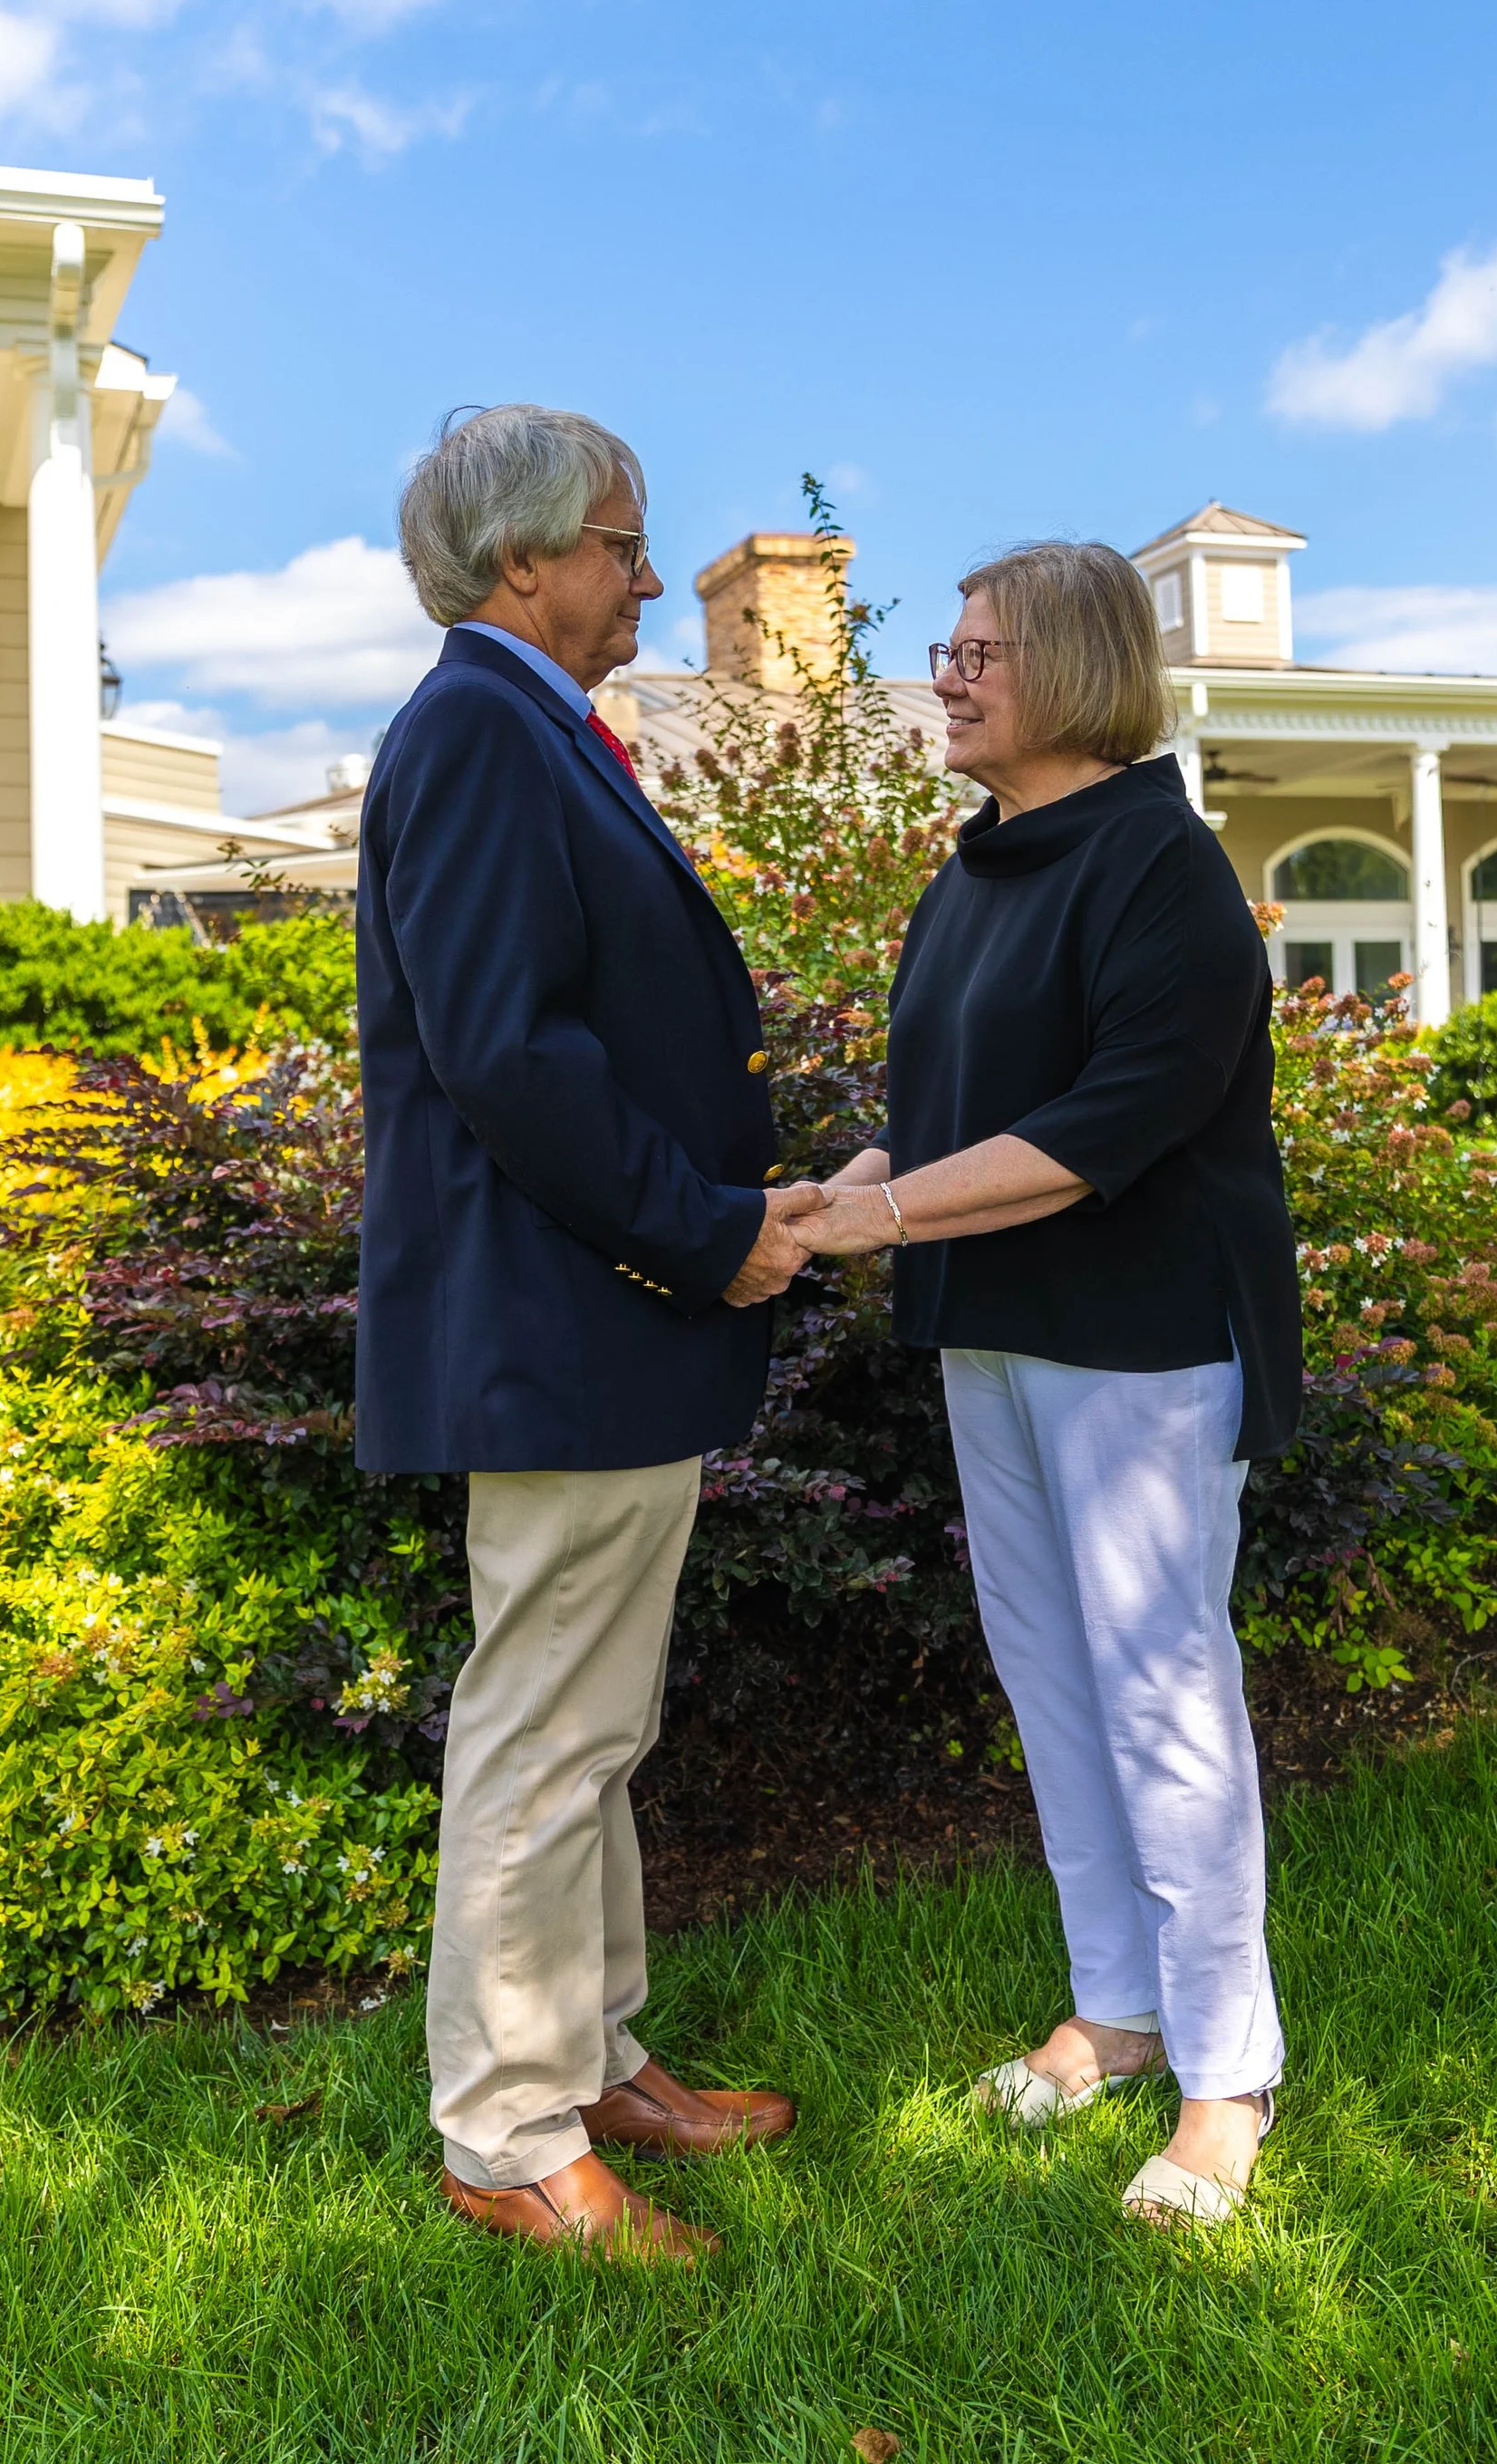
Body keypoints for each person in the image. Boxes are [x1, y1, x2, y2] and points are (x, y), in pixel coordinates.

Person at [794, 540, 1302, 2227]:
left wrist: (882, 1214)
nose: (943, 673)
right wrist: (845, 1189)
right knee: (1049, 1670)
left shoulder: (1165, 869)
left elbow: (1103, 1131)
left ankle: (1228, 2077)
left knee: (1162, 1685)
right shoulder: (979, 868)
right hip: (989, 1323)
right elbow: (951, 1116)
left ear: (1074, 669)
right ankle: (1119, 2010)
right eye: (941, 647)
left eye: (975, 648)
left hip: (1142, 1332)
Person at [356, 405, 817, 2264]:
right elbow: (510, 1062)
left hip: (588, 1321)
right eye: (622, 544)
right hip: (564, 1317)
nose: (644, 575)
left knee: (588, 1725)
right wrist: (709, 1234)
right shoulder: (478, 727)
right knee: (542, 1736)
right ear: (520, 562)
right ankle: (505, 2132)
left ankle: (593, 2054)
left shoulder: (530, 724)